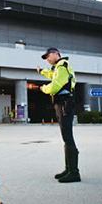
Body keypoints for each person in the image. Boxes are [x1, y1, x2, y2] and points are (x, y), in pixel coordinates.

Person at [37, 47, 80, 183]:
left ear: (56, 54)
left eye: (48, 56)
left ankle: (74, 172)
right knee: (66, 136)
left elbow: (55, 85)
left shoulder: (62, 66)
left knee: (67, 136)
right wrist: (41, 72)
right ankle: (69, 169)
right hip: (62, 104)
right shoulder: (58, 68)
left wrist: (43, 88)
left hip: (64, 104)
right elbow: (52, 75)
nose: (47, 59)